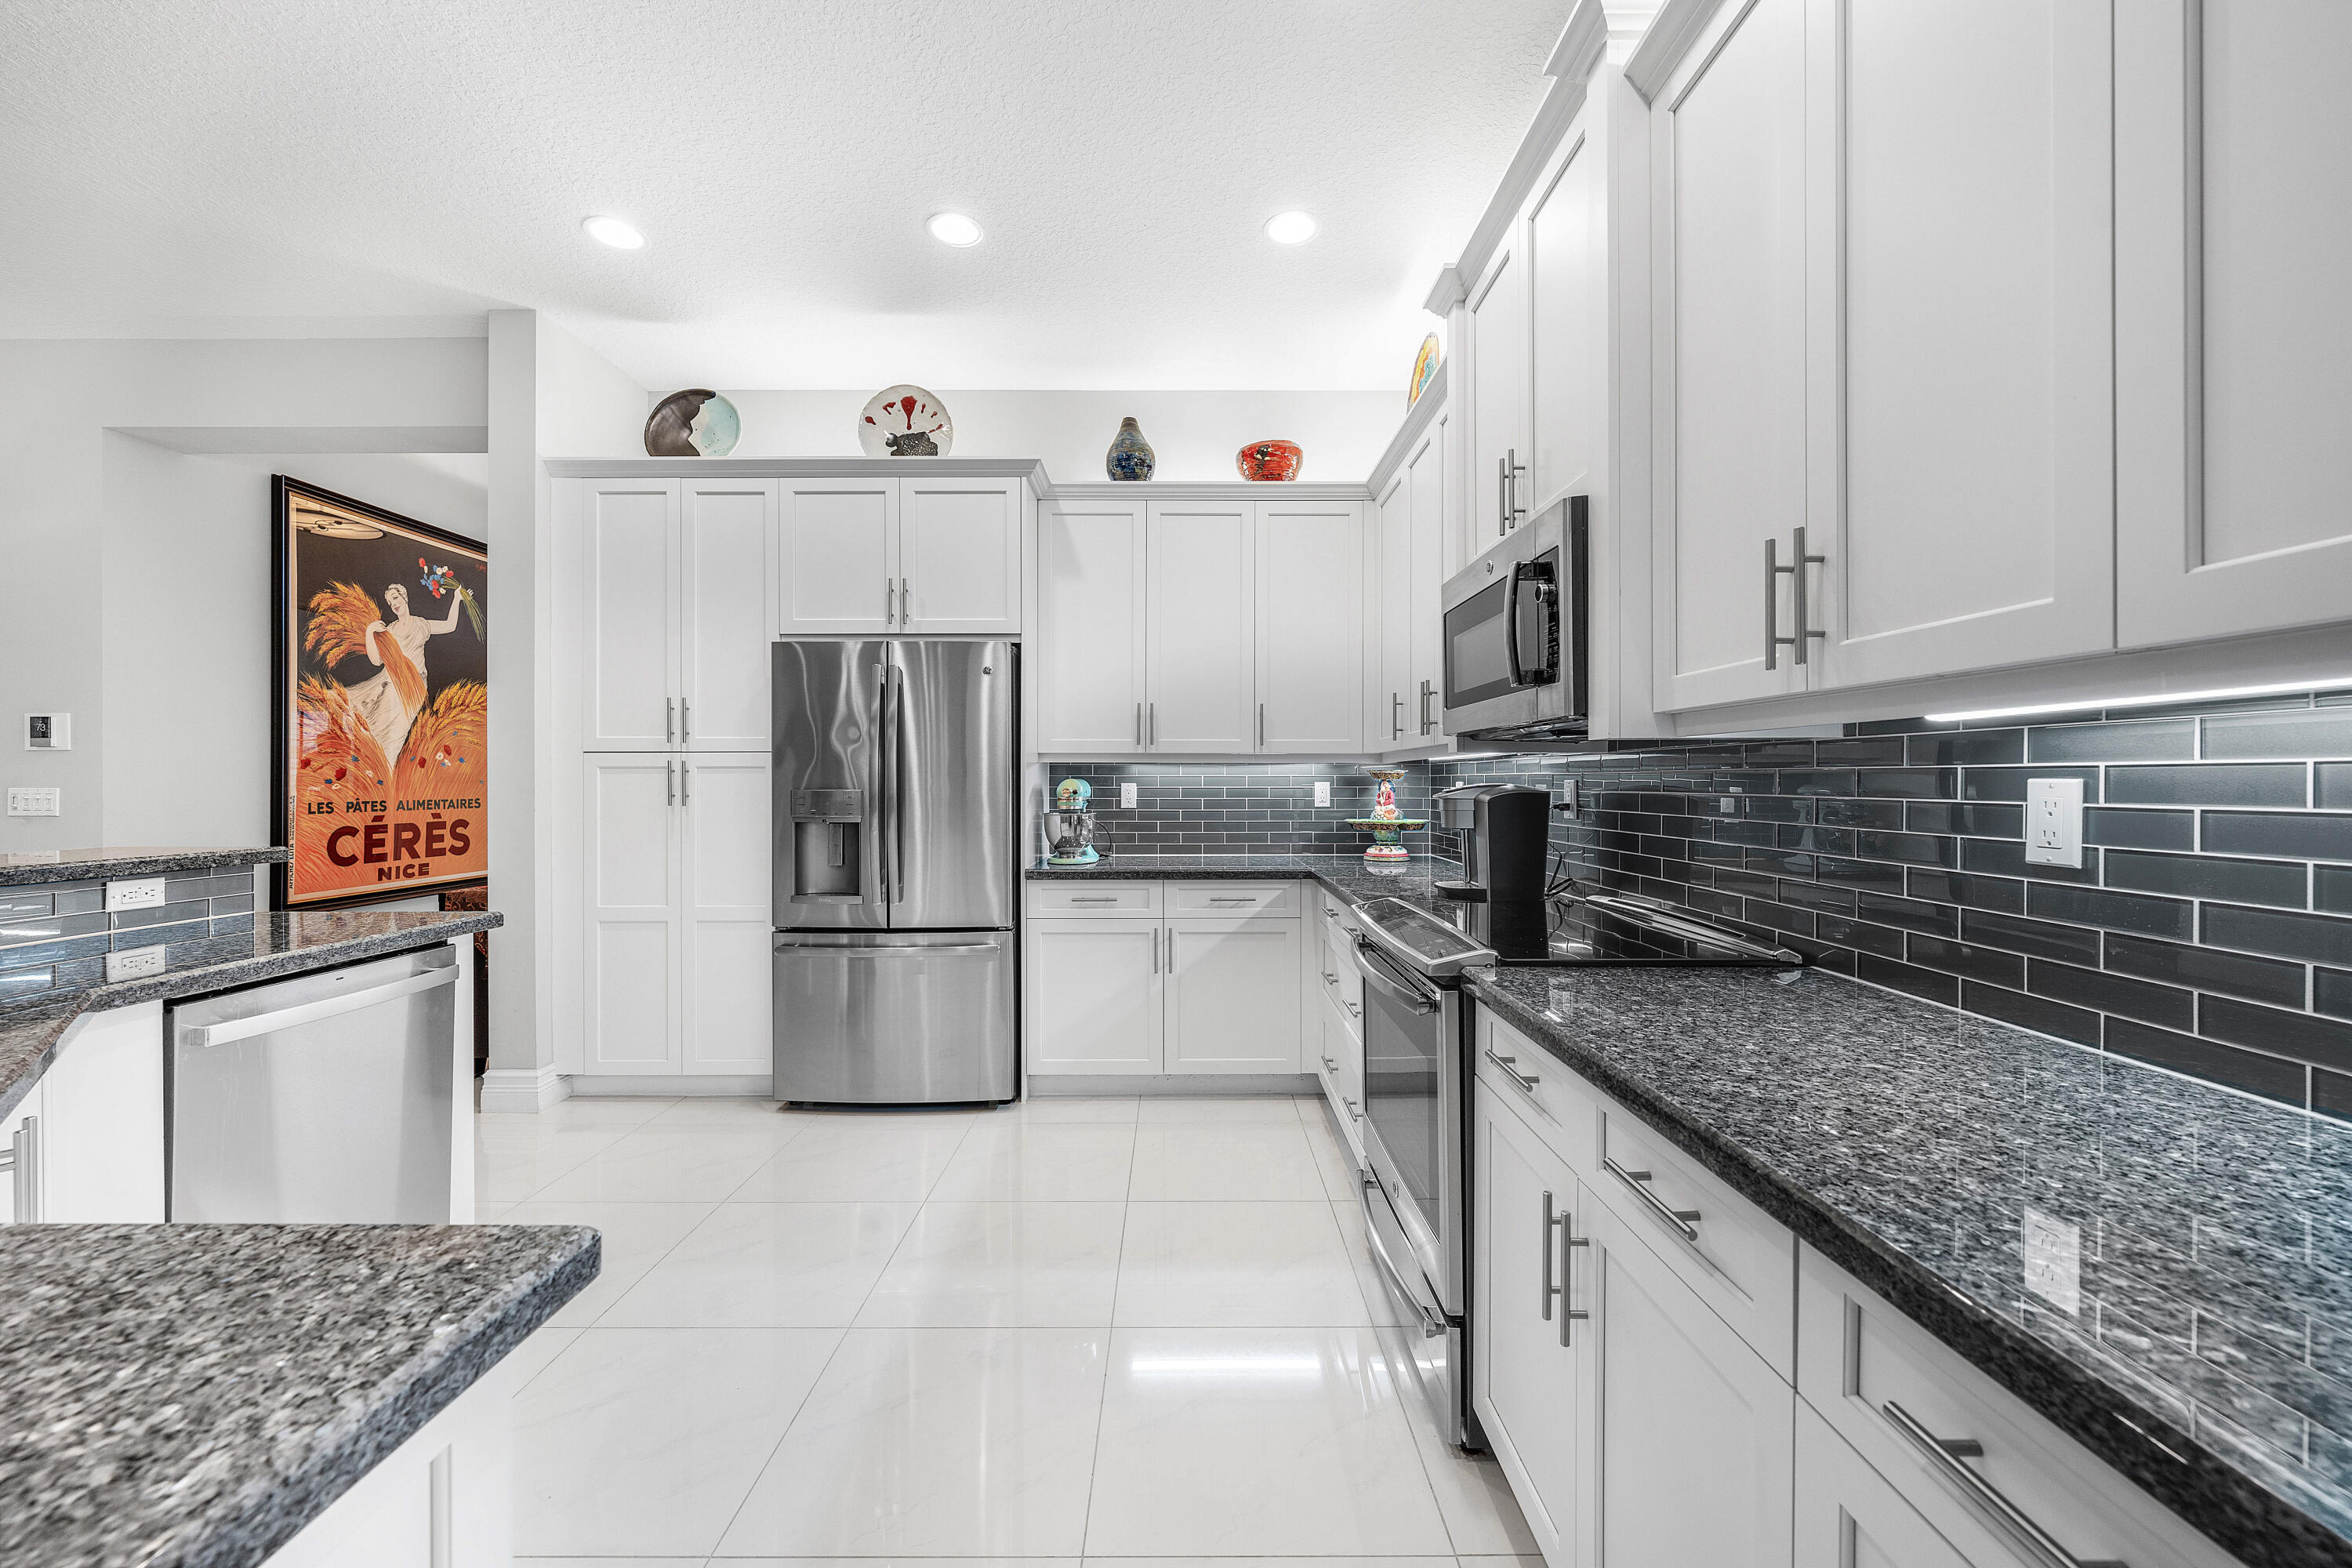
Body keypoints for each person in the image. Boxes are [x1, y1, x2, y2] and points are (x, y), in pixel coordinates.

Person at [348, 579, 467, 763]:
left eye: (395, 598)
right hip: (394, 684)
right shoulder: (390, 631)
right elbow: (377, 661)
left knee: (399, 730)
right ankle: (380, 767)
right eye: (390, 602)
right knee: (382, 728)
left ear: (404, 598)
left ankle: (385, 767)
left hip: (416, 685)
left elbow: (450, 625)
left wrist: (457, 598)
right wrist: (370, 632)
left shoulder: (421, 624)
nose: (394, 604)